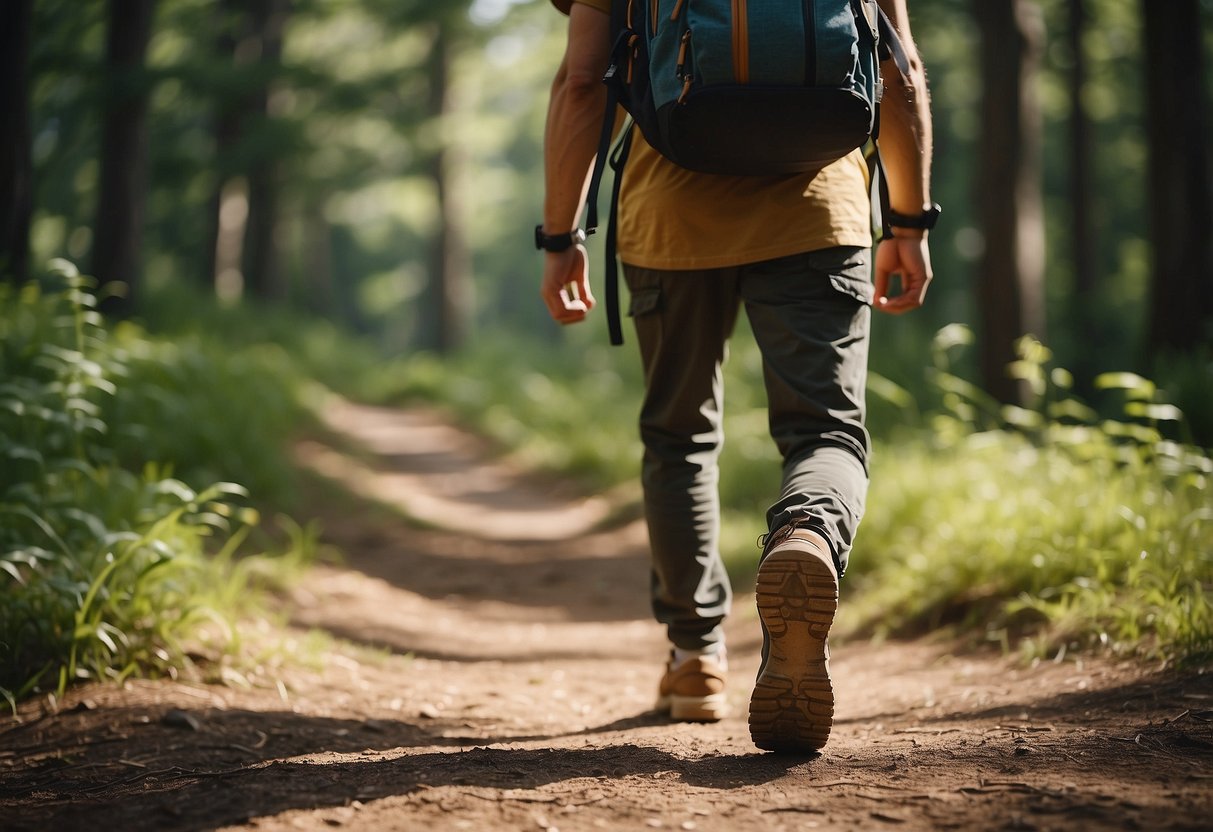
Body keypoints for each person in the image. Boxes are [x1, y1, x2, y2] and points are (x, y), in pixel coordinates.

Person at [537, 0, 935, 753]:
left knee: (679, 437)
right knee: (824, 431)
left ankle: (694, 659)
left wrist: (561, 234)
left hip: (669, 216)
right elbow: (899, 72)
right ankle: (808, 537)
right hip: (820, 210)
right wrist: (908, 223)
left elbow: (581, 82)